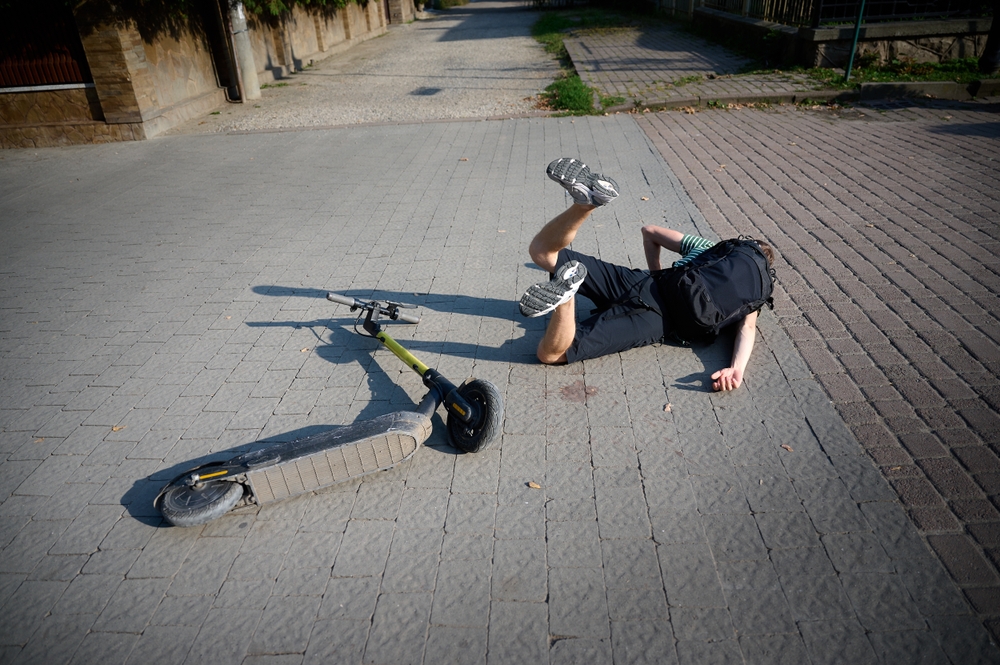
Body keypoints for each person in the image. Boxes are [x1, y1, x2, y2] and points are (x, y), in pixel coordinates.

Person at [520, 158, 775, 392]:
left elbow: (650, 231)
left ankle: (584, 205)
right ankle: (566, 299)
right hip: (658, 321)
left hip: (645, 282)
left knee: (542, 252)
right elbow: (747, 329)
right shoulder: (754, 294)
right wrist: (736, 369)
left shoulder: (710, 248)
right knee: (550, 355)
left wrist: (657, 274)